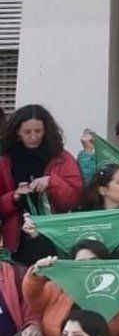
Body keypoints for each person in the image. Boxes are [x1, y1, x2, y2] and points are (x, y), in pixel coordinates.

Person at [0, 105, 83, 253]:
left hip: (55, 237)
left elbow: (75, 199)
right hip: (17, 241)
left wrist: (52, 182)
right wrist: (13, 197)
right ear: (17, 132)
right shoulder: (4, 161)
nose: (33, 136)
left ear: (46, 131)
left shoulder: (62, 158)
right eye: (27, 132)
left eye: (38, 131)